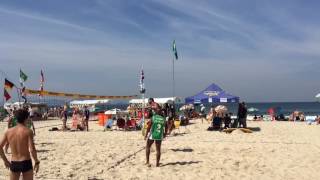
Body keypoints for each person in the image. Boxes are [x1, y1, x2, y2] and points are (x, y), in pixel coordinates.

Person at [0, 109, 40, 180]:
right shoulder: (28, 131)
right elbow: (32, 149)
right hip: (26, 161)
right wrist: (36, 161)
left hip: (14, 162)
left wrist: (5, 161)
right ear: (26, 118)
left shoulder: (8, 132)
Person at [145, 99, 167, 167]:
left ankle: (148, 161)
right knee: (158, 150)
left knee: (148, 146)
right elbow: (166, 127)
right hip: (159, 135)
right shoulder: (163, 119)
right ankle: (157, 163)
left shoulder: (153, 117)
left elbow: (149, 127)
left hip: (153, 134)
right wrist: (165, 133)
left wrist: (146, 135)